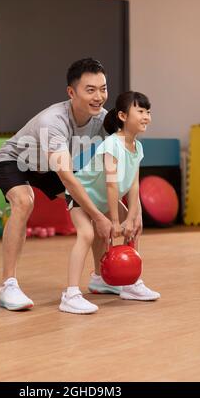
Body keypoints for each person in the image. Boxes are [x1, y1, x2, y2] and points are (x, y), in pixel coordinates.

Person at [0, 58, 113, 310]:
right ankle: (8, 285)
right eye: (90, 90)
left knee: (97, 201)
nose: (98, 96)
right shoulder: (53, 121)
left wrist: (128, 210)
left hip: (46, 166)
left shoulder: (103, 119)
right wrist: (99, 217)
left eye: (102, 88)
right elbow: (67, 176)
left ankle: (102, 277)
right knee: (24, 202)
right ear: (71, 92)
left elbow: (122, 158)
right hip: (15, 160)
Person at [59, 91, 160, 315]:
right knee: (87, 234)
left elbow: (133, 185)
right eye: (140, 111)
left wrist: (132, 216)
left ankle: (131, 283)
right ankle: (71, 294)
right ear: (123, 116)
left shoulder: (138, 148)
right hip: (81, 197)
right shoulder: (112, 144)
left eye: (148, 112)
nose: (146, 116)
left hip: (106, 200)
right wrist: (114, 221)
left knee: (135, 230)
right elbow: (112, 184)